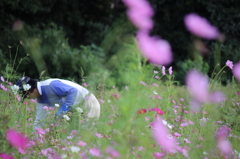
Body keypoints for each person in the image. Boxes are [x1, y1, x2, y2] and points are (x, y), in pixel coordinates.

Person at [12, 76, 101, 129]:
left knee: (85, 133)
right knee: (73, 135)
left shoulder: (50, 85)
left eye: (27, 95)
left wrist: (61, 112)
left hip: (88, 103)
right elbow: (39, 121)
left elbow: (73, 91)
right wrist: (33, 138)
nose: (28, 98)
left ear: (32, 89)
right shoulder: (40, 100)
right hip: (75, 109)